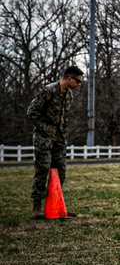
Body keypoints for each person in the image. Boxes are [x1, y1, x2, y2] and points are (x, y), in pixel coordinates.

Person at [26, 65, 84, 219]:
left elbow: (63, 118)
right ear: (69, 78)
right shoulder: (48, 91)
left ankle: (57, 205)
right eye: (78, 81)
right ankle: (37, 207)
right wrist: (46, 129)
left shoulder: (69, 96)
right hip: (43, 137)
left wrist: (63, 133)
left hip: (59, 138)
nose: (79, 84)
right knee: (43, 169)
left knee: (60, 170)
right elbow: (32, 112)